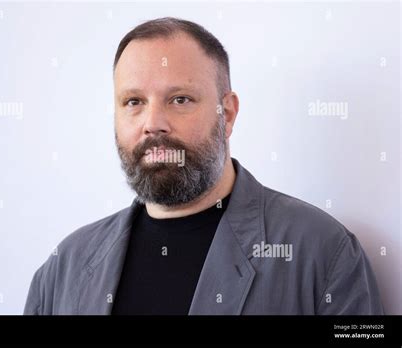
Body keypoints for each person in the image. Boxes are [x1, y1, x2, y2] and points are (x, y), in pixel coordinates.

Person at [24, 17, 384, 315]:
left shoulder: (323, 253)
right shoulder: (63, 268)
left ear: (226, 114)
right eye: (133, 101)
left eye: (180, 99)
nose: (153, 123)